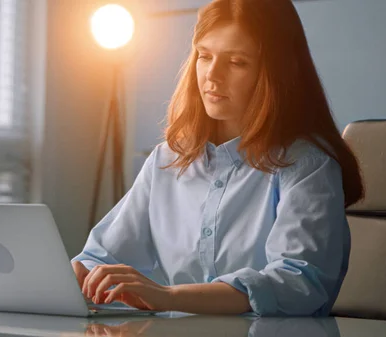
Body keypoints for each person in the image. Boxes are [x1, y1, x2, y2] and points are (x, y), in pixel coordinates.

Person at [71, 0, 364, 317]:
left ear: (275, 73)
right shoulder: (167, 160)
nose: (212, 75)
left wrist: (169, 296)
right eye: (204, 56)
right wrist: (78, 277)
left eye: (236, 62)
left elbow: (297, 282)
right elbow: (102, 257)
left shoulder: (307, 164)